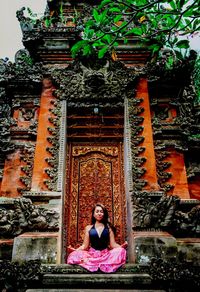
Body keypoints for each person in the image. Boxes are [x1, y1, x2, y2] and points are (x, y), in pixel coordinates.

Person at [67, 203, 128, 273]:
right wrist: (75, 250)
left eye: (101, 212)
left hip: (105, 255)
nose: (99, 213)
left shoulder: (109, 228)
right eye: (97, 211)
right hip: (92, 255)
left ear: (104, 214)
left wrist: (121, 247)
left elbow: (113, 244)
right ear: (93, 214)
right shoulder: (88, 228)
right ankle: (97, 262)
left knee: (121, 251)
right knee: (73, 255)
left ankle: (98, 262)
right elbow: (85, 246)